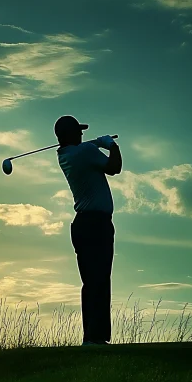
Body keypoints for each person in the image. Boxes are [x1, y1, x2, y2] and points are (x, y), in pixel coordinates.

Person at [54, 115, 122, 346]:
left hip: (83, 225)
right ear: (71, 134)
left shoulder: (66, 155)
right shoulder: (84, 152)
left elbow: (83, 149)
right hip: (96, 224)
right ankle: (96, 337)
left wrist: (94, 145)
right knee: (99, 280)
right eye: (78, 131)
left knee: (92, 281)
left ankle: (93, 336)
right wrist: (111, 146)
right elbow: (114, 167)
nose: (83, 134)